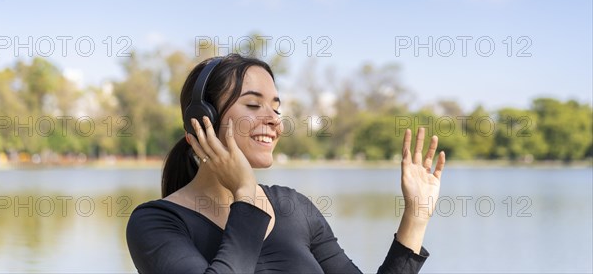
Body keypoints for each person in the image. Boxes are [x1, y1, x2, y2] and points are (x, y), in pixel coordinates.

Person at [126, 53, 445, 273]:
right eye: (253, 104)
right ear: (202, 120)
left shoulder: (294, 207)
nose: (274, 121)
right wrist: (245, 194)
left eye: (276, 109)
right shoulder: (156, 223)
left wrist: (415, 218)